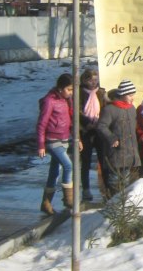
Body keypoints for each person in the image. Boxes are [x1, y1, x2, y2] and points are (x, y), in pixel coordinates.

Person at [37, 73, 79, 214]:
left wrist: (77, 139)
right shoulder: (50, 101)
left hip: (64, 139)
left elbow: (72, 120)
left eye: (72, 90)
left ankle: (46, 202)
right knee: (68, 165)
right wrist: (41, 145)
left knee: (54, 172)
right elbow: (42, 123)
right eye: (68, 89)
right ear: (60, 88)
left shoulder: (68, 100)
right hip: (52, 140)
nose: (71, 92)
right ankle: (68, 198)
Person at [96, 79, 141, 197]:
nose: (133, 98)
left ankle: (123, 207)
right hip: (116, 153)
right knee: (114, 181)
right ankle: (113, 206)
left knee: (126, 182)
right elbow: (101, 126)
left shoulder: (131, 109)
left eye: (133, 95)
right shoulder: (110, 109)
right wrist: (112, 138)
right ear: (122, 95)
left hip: (129, 153)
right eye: (130, 95)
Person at [78, 68, 106, 202]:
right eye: (90, 80)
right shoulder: (80, 93)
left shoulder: (101, 92)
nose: (93, 83)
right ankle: (86, 189)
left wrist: (100, 123)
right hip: (86, 130)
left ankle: (107, 187)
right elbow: (77, 111)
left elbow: (106, 109)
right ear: (85, 80)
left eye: (95, 80)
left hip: (99, 129)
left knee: (103, 159)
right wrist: (87, 122)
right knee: (86, 161)